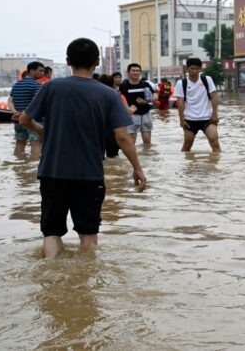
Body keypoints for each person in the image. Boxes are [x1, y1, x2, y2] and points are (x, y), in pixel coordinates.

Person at [19, 38, 146, 259]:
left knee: (52, 232)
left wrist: (43, 132)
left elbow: (24, 119)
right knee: (88, 235)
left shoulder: (51, 87)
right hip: (89, 174)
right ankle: (85, 285)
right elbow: (122, 136)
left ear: (68, 61)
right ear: (97, 62)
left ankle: (50, 276)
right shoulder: (109, 94)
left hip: (52, 172)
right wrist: (138, 168)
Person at [175, 58, 221, 152]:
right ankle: (186, 166)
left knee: (214, 141)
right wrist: (181, 119)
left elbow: (214, 96)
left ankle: (216, 165)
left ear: (200, 69)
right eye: (192, 68)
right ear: (187, 69)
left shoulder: (207, 80)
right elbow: (180, 102)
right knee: (187, 144)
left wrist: (215, 114)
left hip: (207, 119)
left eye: (197, 68)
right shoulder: (181, 83)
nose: (195, 71)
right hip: (189, 120)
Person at [8, 61, 45, 157]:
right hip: (33, 120)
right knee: (35, 143)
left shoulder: (16, 85)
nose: (43, 73)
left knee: (19, 143)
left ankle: (19, 167)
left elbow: (10, 101)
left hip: (18, 120)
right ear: (31, 71)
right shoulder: (37, 85)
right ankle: (34, 169)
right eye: (40, 71)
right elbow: (35, 103)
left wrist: (15, 113)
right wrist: (25, 114)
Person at [98, 73, 136, 158]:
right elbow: (127, 112)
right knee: (113, 157)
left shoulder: (93, 95)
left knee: (100, 158)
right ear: (113, 82)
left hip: (97, 130)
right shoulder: (117, 95)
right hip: (113, 130)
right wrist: (133, 108)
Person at [119, 63, 155, 146]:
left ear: (140, 72)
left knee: (147, 142)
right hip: (131, 115)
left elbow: (155, 97)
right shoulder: (123, 86)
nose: (136, 72)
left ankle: (147, 157)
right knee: (131, 140)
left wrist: (145, 101)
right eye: (133, 71)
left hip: (146, 113)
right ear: (128, 72)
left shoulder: (146, 84)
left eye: (138, 71)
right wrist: (127, 108)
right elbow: (120, 99)